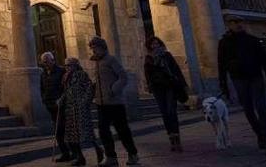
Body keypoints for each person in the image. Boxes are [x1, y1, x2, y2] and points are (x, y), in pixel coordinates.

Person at [218, 15, 266, 155]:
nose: (238, 24)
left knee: (261, 108)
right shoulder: (224, 43)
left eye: (239, 22)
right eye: (234, 22)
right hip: (238, 79)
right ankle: (260, 134)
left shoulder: (252, 40)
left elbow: (265, 61)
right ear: (229, 25)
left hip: (255, 77)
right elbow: (221, 64)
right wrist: (223, 85)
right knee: (248, 110)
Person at [89, 36, 139, 166]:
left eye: (95, 47)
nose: (93, 50)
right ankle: (111, 157)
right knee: (103, 130)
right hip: (101, 103)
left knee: (122, 130)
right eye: (92, 47)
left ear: (102, 47)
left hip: (115, 102)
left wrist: (113, 90)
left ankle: (132, 154)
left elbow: (123, 77)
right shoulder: (96, 62)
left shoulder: (111, 60)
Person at [144, 36, 189, 152]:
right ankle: (171, 138)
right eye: (153, 44)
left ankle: (177, 139)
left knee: (171, 111)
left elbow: (176, 69)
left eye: (157, 43)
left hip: (170, 86)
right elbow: (147, 74)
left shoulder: (167, 55)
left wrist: (183, 84)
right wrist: (149, 85)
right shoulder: (149, 59)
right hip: (158, 88)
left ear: (160, 44)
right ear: (150, 46)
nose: (155, 45)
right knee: (164, 113)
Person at [59, 58, 104, 166]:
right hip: (70, 108)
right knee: (72, 136)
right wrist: (61, 99)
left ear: (75, 65)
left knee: (86, 132)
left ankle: (98, 150)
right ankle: (80, 157)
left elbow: (89, 88)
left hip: (81, 108)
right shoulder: (65, 77)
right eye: (66, 65)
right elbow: (66, 91)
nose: (67, 67)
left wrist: (85, 101)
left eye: (69, 65)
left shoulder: (81, 74)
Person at [40, 51, 70, 161]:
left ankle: (74, 152)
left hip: (61, 105)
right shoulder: (43, 73)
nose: (45, 64)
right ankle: (65, 153)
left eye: (47, 62)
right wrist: (44, 98)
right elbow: (42, 87)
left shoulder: (61, 71)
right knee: (57, 131)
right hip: (50, 105)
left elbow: (66, 87)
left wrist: (61, 98)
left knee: (63, 129)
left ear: (53, 60)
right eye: (43, 62)